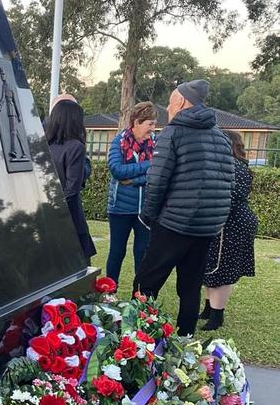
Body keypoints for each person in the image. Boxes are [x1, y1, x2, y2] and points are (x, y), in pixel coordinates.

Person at [136, 79, 234, 335]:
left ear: (180, 102)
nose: (167, 109)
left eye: (169, 102)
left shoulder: (173, 132)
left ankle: (137, 339)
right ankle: (185, 339)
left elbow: (156, 180)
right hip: (206, 227)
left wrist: (149, 216)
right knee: (190, 287)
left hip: (174, 223)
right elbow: (229, 183)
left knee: (146, 282)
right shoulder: (221, 137)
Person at [200, 130, 258, 330]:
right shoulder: (228, 166)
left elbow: (232, 199)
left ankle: (217, 316)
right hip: (222, 223)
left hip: (233, 224)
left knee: (222, 270)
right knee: (211, 266)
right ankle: (208, 307)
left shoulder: (237, 168)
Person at [106, 101, 157, 286]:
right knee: (117, 252)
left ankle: (139, 297)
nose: (153, 128)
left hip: (146, 209)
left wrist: (136, 179)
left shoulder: (156, 143)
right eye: (149, 124)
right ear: (136, 122)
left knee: (142, 253)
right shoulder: (118, 142)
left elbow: (157, 173)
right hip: (119, 207)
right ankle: (109, 294)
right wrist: (148, 165)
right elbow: (117, 170)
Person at [46, 99, 96, 262]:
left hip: (44, 213)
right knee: (80, 263)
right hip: (69, 216)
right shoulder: (76, 147)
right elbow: (72, 188)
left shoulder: (43, 146)